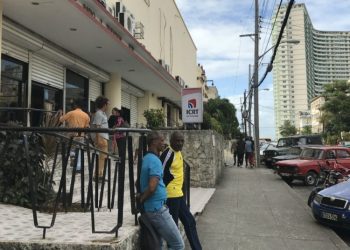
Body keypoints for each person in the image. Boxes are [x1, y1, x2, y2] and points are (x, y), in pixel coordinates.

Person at [138, 131, 184, 250]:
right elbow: (152, 187)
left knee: (158, 245)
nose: (164, 143)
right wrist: (141, 199)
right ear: (154, 142)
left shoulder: (148, 158)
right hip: (157, 210)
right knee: (178, 244)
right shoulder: (154, 160)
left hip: (155, 208)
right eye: (162, 140)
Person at [160, 131, 202, 250]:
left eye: (182, 141)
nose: (180, 143)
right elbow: (159, 173)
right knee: (173, 228)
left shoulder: (178, 153)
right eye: (177, 140)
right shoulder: (168, 154)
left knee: (190, 222)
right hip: (170, 196)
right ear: (171, 141)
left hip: (178, 194)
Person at [59, 99, 90, 172]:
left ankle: (72, 156)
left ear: (75, 105)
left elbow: (61, 120)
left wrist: (60, 114)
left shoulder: (71, 113)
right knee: (79, 150)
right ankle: (78, 167)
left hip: (72, 135)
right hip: (81, 136)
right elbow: (87, 127)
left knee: (71, 148)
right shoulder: (86, 115)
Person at [92, 96, 109, 181]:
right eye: (107, 104)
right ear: (104, 104)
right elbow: (97, 126)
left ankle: (100, 174)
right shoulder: (99, 113)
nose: (108, 106)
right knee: (101, 157)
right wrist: (98, 139)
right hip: (101, 137)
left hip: (104, 137)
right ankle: (97, 175)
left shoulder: (103, 113)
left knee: (102, 157)